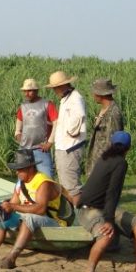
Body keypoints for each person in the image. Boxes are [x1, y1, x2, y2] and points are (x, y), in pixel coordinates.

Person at [75, 131, 136, 272]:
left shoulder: (106, 158)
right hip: (88, 210)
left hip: (103, 206)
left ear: (111, 144)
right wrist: (109, 221)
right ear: (129, 148)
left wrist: (109, 217)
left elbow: (110, 196)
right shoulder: (119, 163)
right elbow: (113, 193)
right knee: (106, 235)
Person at [0, 149, 69, 269]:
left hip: (50, 221)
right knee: (3, 215)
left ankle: (11, 257)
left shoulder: (43, 182)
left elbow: (41, 209)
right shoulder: (20, 183)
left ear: (30, 168)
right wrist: (5, 208)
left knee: (29, 218)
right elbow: (14, 203)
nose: (17, 173)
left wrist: (13, 206)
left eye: (20, 169)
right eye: (17, 169)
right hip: (27, 218)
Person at [44, 70, 88, 207]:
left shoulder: (75, 98)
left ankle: (79, 215)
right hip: (64, 147)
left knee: (72, 187)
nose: (54, 91)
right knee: (67, 184)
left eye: (55, 87)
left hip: (70, 147)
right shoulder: (66, 99)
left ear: (63, 85)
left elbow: (79, 116)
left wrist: (71, 132)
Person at [14, 78, 58, 179]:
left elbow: (56, 123)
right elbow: (19, 121)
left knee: (47, 178)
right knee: (23, 178)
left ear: (36, 91)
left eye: (29, 91)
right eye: (25, 91)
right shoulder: (23, 106)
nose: (26, 94)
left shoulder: (47, 104)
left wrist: (50, 143)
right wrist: (17, 134)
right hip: (24, 148)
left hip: (41, 149)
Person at [85, 77, 124, 177]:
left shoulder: (113, 113)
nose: (93, 95)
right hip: (98, 161)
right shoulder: (104, 110)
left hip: (105, 162)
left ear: (100, 95)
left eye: (94, 93)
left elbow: (113, 141)